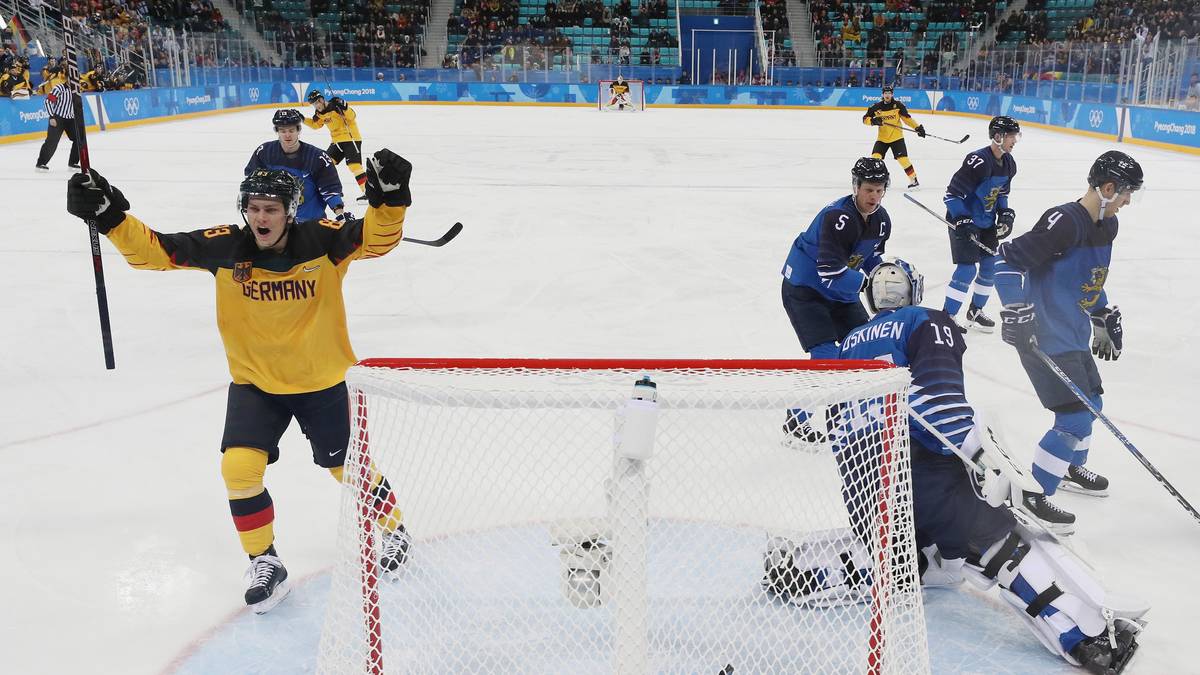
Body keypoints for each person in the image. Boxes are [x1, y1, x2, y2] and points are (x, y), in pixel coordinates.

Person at [65, 149, 416, 614]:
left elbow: (377, 240)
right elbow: (154, 253)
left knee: (346, 469)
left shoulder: (323, 240)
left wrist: (390, 200)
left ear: (290, 211)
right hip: (256, 386)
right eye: (252, 208)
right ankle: (264, 560)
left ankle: (394, 530)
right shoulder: (226, 246)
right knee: (239, 471)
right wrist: (111, 217)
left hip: (321, 383)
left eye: (270, 209)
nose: (260, 218)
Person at [769, 257, 1146, 674]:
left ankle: (808, 568)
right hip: (917, 471)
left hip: (863, 491)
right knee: (999, 541)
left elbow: (839, 428)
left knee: (912, 554)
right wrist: (986, 465)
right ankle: (1088, 637)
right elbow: (941, 404)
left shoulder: (847, 345)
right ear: (913, 289)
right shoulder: (925, 320)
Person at [994, 151, 1144, 527]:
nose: (1128, 201)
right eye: (1126, 193)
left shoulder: (1107, 226)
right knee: (1074, 418)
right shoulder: (1063, 222)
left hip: (1073, 332)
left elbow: (1088, 279)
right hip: (1042, 336)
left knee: (1092, 403)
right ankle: (1031, 497)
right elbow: (1005, 262)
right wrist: (1015, 308)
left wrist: (1101, 312)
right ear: (1108, 189)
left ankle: (1069, 468)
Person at [780, 157, 893, 442]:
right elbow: (829, 271)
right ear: (856, 186)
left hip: (840, 292)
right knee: (826, 355)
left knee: (866, 346)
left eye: (879, 190)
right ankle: (796, 420)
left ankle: (848, 414)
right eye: (868, 190)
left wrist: (886, 274)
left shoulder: (881, 220)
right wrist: (869, 284)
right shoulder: (838, 218)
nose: (874, 197)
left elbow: (870, 256)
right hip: (805, 290)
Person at [940, 115, 1021, 332]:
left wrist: (1005, 213)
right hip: (963, 220)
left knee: (989, 267)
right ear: (998, 137)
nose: (1014, 140)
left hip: (986, 222)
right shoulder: (977, 161)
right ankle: (947, 316)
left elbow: (1001, 193)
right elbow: (951, 196)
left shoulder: (1009, 163)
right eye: (1011, 136)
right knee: (967, 269)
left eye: (1016, 136)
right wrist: (962, 220)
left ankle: (975, 311)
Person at [245, 108, 349, 223]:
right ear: (277, 131)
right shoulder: (265, 152)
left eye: (291, 130)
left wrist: (340, 214)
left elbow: (330, 190)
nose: (287, 135)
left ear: (298, 130)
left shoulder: (317, 157)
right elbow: (251, 181)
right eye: (283, 131)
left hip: (309, 225)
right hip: (275, 224)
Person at [304, 89, 368, 200]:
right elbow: (315, 125)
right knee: (326, 163)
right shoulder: (319, 114)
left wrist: (345, 107)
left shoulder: (336, 105)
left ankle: (369, 192)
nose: (316, 106)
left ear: (322, 100)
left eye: (317, 102)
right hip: (336, 142)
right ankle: (335, 190)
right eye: (313, 104)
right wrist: (302, 118)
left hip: (350, 138)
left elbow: (352, 116)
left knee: (355, 166)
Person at [862, 84, 924, 189]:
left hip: (897, 138)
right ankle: (885, 178)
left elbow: (907, 119)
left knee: (903, 159)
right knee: (875, 159)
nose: (887, 95)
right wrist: (873, 121)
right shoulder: (876, 107)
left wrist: (917, 127)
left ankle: (914, 180)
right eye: (885, 93)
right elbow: (864, 119)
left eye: (889, 93)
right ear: (882, 94)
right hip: (882, 139)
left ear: (892, 94)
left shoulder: (898, 105)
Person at [35, 78, 80, 171]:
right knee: (52, 142)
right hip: (58, 118)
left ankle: (73, 162)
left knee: (79, 139)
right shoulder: (59, 88)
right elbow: (48, 101)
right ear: (67, 78)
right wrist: (52, 117)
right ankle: (41, 163)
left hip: (71, 119)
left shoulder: (77, 90)